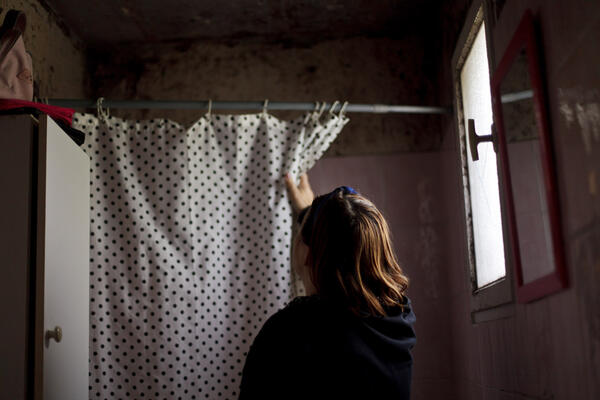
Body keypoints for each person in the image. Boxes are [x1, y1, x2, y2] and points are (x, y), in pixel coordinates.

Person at [238, 173, 416, 400]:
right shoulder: (397, 318)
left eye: (302, 235)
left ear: (307, 255)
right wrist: (308, 215)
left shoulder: (288, 332)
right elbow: (351, 243)